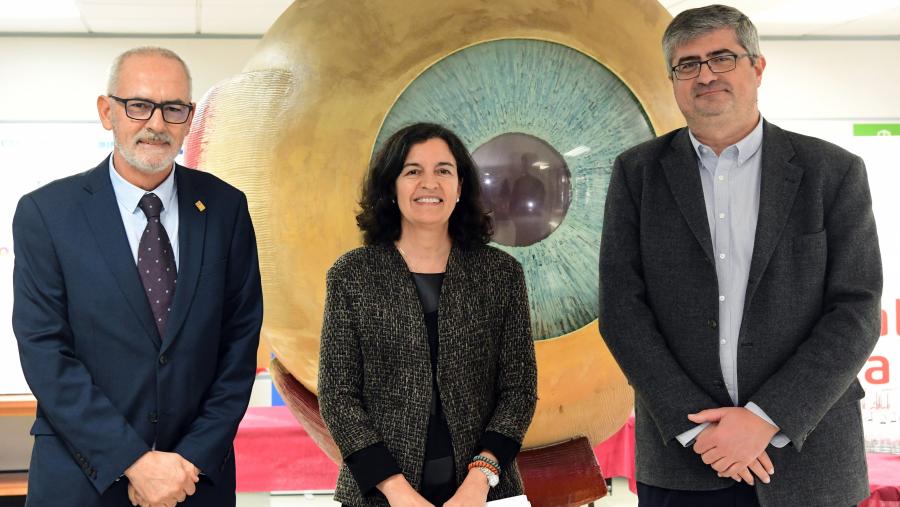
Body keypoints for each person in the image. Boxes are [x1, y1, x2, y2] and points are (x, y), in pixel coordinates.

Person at [598, 5, 882, 507]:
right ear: (673, 80)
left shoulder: (832, 172)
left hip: (808, 457)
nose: (705, 74)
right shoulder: (637, 175)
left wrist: (766, 418)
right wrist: (700, 432)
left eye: (721, 57)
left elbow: (855, 312)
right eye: (688, 64)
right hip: (685, 460)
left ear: (757, 67)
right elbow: (622, 312)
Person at [12, 46, 263, 507]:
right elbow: (45, 351)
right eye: (139, 105)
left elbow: (240, 343)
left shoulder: (226, 208)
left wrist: (188, 460)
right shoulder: (47, 214)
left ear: (189, 118)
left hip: (196, 480)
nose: (157, 124)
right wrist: (134, 461)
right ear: (107, 112)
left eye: (174, 109)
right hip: (81, 478)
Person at [318, 122, 537, 506]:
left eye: (443, 170)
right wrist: (397, 492)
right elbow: (338, 396)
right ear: (392, 187)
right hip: (379, 495)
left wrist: (478, 481)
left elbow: (519, 389)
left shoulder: (501, 274)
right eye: (412, 171)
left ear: (460, 186)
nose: (429, 183)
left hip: (486, 493)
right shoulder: (352, 275)